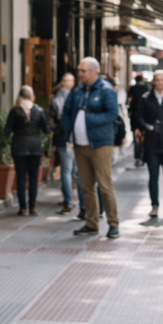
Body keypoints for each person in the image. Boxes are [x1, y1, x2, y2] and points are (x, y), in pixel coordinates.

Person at [62, 57, 120, 238]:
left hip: (100, 145)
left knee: (105, 186)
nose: (79, 74)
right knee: (86, 186)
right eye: (79, 71)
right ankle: (91, 222)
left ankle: (113, 224)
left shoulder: (106, 90)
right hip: (80, 145)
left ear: (95, 72)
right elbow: (66, 111)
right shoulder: (77, 91)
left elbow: (112, 114)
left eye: (83, 71)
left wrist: (88, 119)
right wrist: (70, 127)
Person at [132, 70, 163, 218]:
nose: (159, 82)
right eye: (157, 80)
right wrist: (148, 127)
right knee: (153, 176)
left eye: (162, 80)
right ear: (153, 82)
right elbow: (139, 118)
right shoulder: (146, 98)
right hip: (152, 144)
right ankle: (154, 205)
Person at [6, 85, 50, 216]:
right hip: (35, 147)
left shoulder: (15, 111)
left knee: (20, 177)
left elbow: (7, 130)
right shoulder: (39, 110)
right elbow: (47, 130)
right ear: (32, 96)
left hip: (19, 147)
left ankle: (23, 207)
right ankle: (33, 207)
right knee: (33, 177)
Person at [49, 73, 78, 214]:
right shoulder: (74, 97)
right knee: (73, 171)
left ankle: (68, 200)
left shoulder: (56, 98)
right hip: (74, 137)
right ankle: (71, 201)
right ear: (65, 82)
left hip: (62, 137)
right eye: (70, 80)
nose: (72, 83)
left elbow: (52, 120)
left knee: (66, 170)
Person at [128, 74, 149, 167]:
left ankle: (137, 157)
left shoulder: (132, 89)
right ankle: (143, 157)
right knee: (144, 138)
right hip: (145, 116)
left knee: (136, 138)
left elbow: (129, 101)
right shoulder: (146, 89)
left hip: (135, 116)